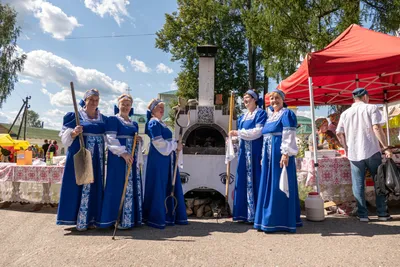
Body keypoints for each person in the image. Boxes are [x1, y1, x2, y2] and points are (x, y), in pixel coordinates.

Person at [336, 88, 393, 222]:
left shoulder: (345, 113)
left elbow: (339, 133)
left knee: (358, 184)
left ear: (354, 98)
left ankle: (362, 215)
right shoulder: (372, 108)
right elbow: (377, 128)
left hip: (354, 153)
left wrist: (346, 148)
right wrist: (385, 147)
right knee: (378, 182)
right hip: (371, 149)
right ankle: (382, 213)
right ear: (366, 96)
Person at [56, 88, 107, 231]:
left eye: (96, 100)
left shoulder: (102, 118)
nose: (94, 102)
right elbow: (64, 139)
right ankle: (76, 219)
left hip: (97, 158)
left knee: (94, 185)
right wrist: (73, 132)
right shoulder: (75, 116)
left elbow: (109, 136)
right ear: (85, 100)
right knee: (78, 183)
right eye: (91, 100)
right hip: (80, 155)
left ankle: (92, 219)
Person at [254, 89, 302, 233]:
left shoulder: (286, 114)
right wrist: (263, 156)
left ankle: (280, 221)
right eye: (271, 99)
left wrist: (285, 154)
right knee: (269, 185)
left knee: (279, 184)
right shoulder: (270, 116)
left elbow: (289, 134)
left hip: (279, 154)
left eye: (276, 98)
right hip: (269, 156)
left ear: (282, 99)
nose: (274, 101)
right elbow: (266, 137)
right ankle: (268, 220)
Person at [98, 94, 143, 229]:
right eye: (123, 104)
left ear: (131, 107)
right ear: (118, 105)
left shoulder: (134, 123)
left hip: (131, 159)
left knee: (131, 186)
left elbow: (134, 138)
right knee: (117, 185)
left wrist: (138, 140)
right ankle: (114, 219)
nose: (125, 106)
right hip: (118, 158)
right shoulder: (113, 120)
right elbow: (110, 139)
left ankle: (129, 219)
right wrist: (123, 153)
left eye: (128, 104)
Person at [142, 99, 188, 229]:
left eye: (163, 107)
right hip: (158, 159)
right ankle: (156, 217)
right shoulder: (153, 123)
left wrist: (176, 143)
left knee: (166, 184)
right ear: (152, 110)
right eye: (159, 108)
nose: (162, 110)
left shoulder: (161, 123)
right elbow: (159, 143)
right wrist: (174, 145)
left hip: (167, 159)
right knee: (159, 184)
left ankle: (168, 216)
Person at [229, 90, 267, 223]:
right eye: (244, 99)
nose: (245, 101)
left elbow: (258, 132)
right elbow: (240, 137)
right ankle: (243, 214)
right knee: (243, 180)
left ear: (255, 100)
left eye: (248, 99)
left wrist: (239, 132)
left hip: (255, 153)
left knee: (255, 179)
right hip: (244, 154)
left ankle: (256, 215)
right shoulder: (242, 117)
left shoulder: (260, 114)